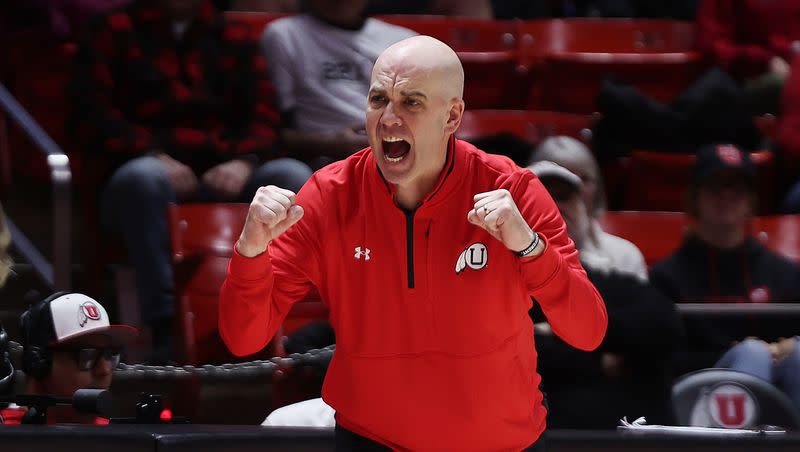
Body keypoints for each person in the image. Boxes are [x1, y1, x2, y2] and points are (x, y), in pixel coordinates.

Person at [220, 35, 607, 451]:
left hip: (502, 445)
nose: (388, 118)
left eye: (411, 102)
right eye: (378, 99)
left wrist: (530, 248)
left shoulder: (514, 191)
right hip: (372, 441)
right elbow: (244, 338)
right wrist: (249, 252)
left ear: (452, 116)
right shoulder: (329, 196)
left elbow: (588, 331)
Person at [70, 0, 312, 362]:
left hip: (228, 170)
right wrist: (151, 153)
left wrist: (244, 162)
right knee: (144, 179)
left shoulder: (233, 34)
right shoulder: (111, 29)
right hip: (141, 173)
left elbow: (266, 116)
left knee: (290, 175)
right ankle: (167, 325)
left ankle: (292, 323)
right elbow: (91, 114)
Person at [528, 161, 682, 428]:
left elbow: (666, 325)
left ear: (585, 211)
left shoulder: (605, 276)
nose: (554, 207)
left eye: (564, 197)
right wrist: (601, 357)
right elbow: (516, 353)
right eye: (542, 197)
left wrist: (553, 331)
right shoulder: (499, 284)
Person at [650, 143, 800, 409]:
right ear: (695, 196)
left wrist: (784, 347)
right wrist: (738, 352)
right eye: (715, 186)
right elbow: (662, 358)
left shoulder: (785, 273)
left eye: (737, 188)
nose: (726, 196)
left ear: (751, 199)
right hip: (697, 401)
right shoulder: (666, 277)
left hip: (783, 391)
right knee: (752, 355)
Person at [260, 0, 415, 168]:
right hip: (319, 158)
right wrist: (328, 142)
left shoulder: (405, 41)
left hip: (397, 147)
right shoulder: (284, 34)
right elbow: (274, 132)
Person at [0, 292, 138, 424]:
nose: (104, 370)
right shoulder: (7, 435)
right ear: (38, 364)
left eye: (109, 354)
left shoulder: (114, 439)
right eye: (87, 355)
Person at [531, 136, 648, 280]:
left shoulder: (624, 256)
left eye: (584, 179)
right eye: (554, 188)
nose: (559, 205)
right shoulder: (503, 251)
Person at [695, 0, 800, 115]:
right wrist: (766, 61)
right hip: (745, 79)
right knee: (790, 87)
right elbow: (712, 48)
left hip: (791, 69)